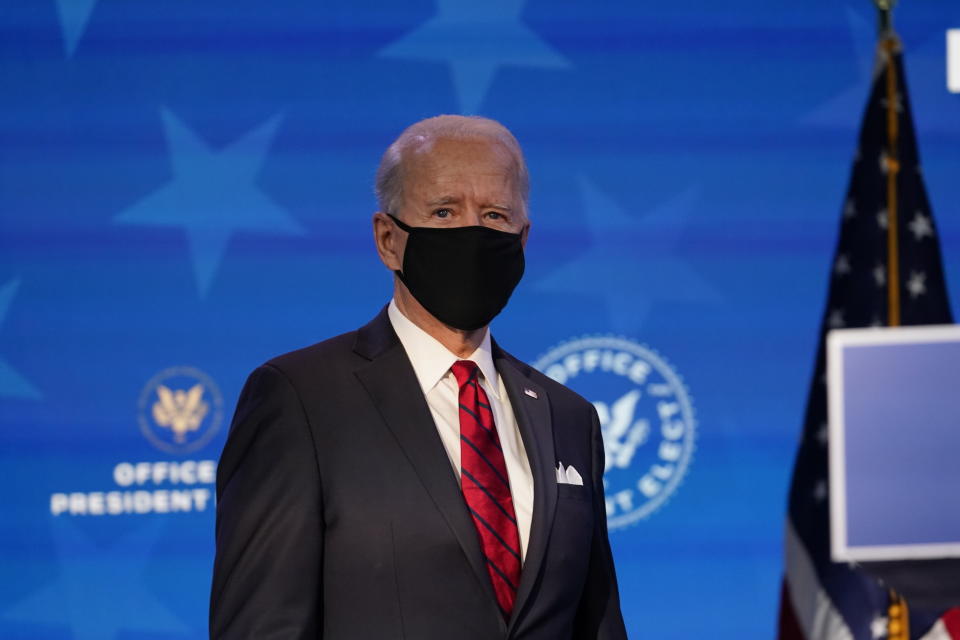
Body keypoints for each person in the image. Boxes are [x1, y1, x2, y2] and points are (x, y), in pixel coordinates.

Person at [209, 115, 628, 639]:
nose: (472, 231)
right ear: (388, 239)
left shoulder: (569, 418)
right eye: (444, 211)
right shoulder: (300, 401)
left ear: (522, 243)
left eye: (494, 214)